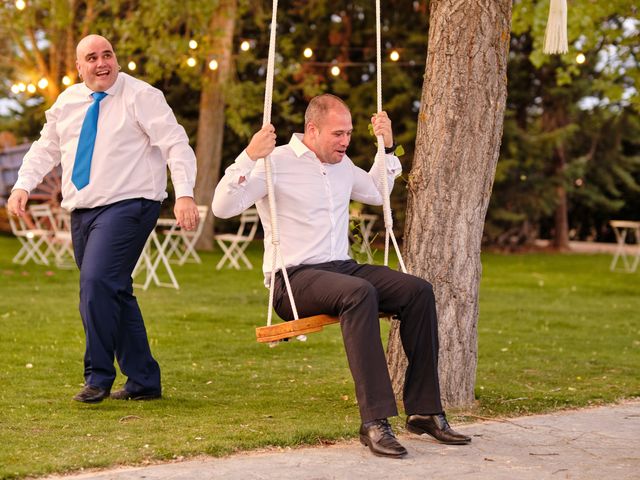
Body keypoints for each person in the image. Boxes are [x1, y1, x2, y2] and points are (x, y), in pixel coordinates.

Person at [212, 94, 470, 458]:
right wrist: (250, 155)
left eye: (349, 133)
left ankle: (425, 409)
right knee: (359, 293)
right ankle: (375, 421)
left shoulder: (342, 165)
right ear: (312, 129)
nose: (346, 141)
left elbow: (378, 193)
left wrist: (387, 147)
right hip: (294, 279)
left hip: (341, 269)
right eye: (338, 133)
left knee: (417, 291)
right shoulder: (274, 162)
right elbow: (223, 206)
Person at [7, 34, 200, 404]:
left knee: (95, 284)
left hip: (130, 204)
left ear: (116, 58)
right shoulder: (68, 102)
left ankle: (98, 376)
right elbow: (45, 147)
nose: (101, 63)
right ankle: (144, 380)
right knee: (113, 291)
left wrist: (186, 194)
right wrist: (22, 186)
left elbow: (176, 144)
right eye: (91, 58)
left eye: (107, 55)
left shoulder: (142, 96)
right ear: (79, 67)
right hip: (82, 210)